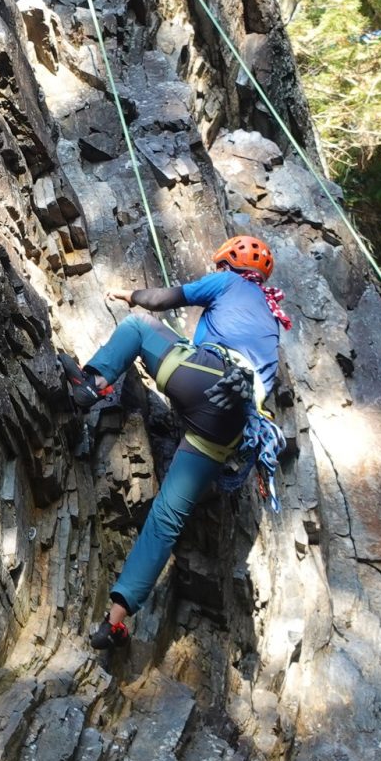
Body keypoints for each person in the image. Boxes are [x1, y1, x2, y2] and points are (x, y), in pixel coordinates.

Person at [68, 234, 293, 649]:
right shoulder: (271, 320)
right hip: (234, 425)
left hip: (206, 377)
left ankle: (92, 385)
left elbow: (165, 298)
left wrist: (129, 294)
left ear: (229, 263)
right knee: (167, 517)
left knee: (137, 327)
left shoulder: (229, 283)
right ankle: (114, 623)